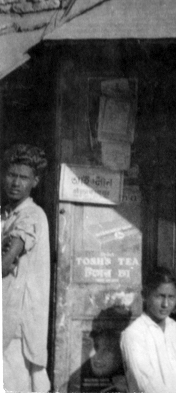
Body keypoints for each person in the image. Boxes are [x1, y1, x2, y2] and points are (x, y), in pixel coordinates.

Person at [2, 143, 50, 393]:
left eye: (23, 177)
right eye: (11, 175)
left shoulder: (31, 215)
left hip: (18, 325)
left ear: (35, 181)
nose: (16, 183)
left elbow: (4, 264)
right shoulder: (7, 215)